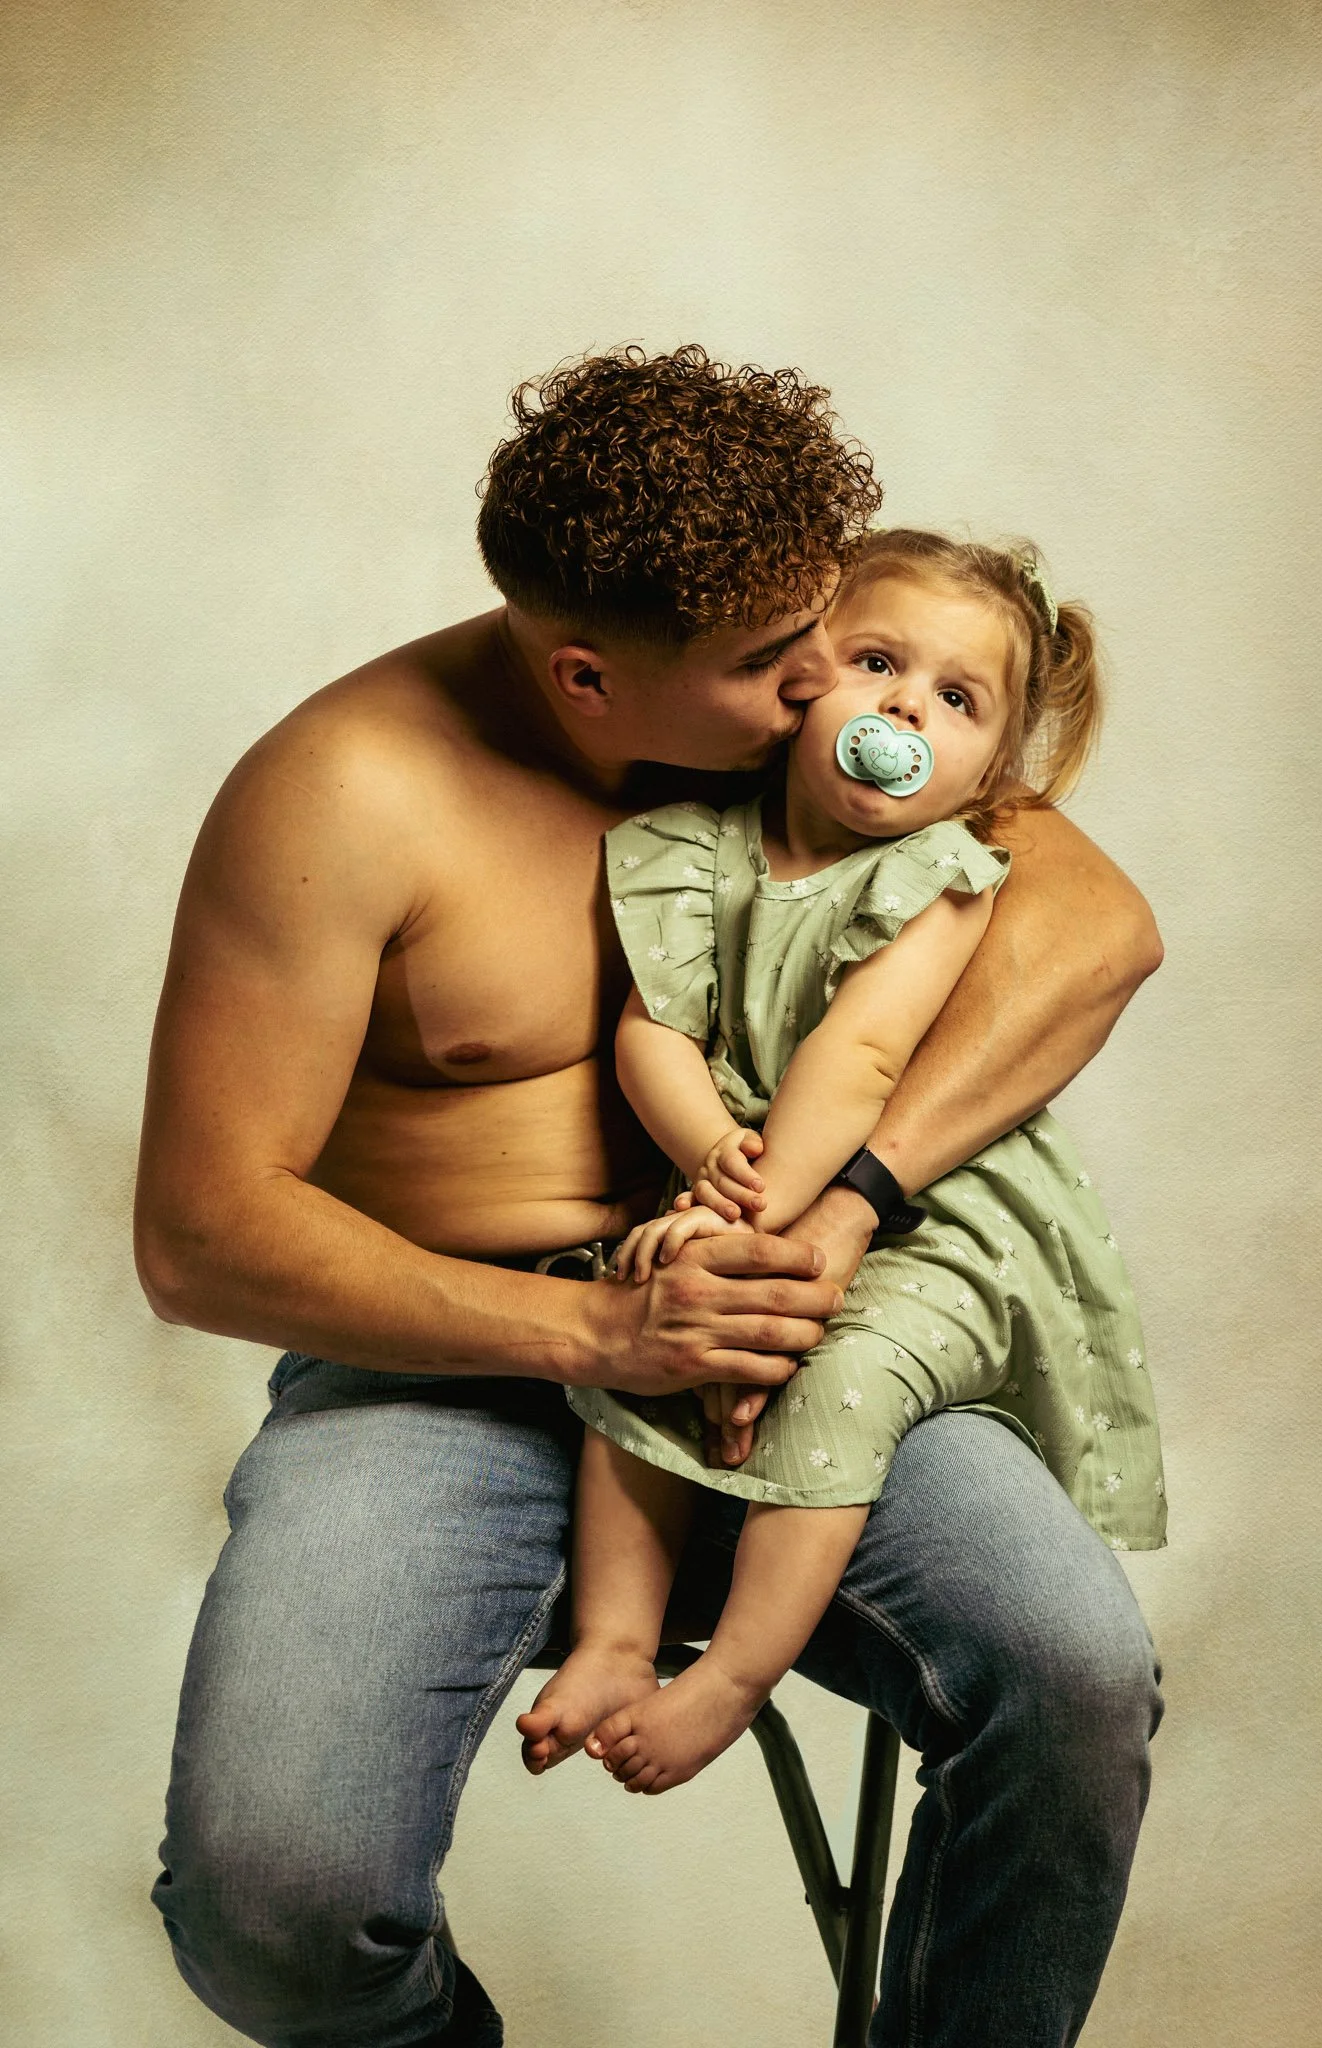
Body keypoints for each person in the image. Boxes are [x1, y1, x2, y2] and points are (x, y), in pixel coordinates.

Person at [137, 347, 1164, 2048]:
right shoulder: (345, 795)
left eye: (829, 626)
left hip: (797, 1336)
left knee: (1073, 1670)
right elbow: (198, 1231)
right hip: (445, 1372)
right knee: (276, 1899)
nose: (838, 682)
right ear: (592, 681)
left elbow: (1096, 925)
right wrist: (598, 1323)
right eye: (783, 662)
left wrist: (856, 1203)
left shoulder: (821, 717)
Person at [520, 529, 1165, 1796]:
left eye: (955, 698)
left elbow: (859, 1064)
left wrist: (747, 1208)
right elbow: (651, 1029)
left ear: (993, 772)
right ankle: (613, 1635)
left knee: (843, 1382)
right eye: (877, 661)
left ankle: (732, 1673)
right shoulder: (693, 844)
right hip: (739, 1173)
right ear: (802, 676)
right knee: (658, 1337)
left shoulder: (939, 877)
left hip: (920, 1220)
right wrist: (707, 1163)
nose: (904, 707)